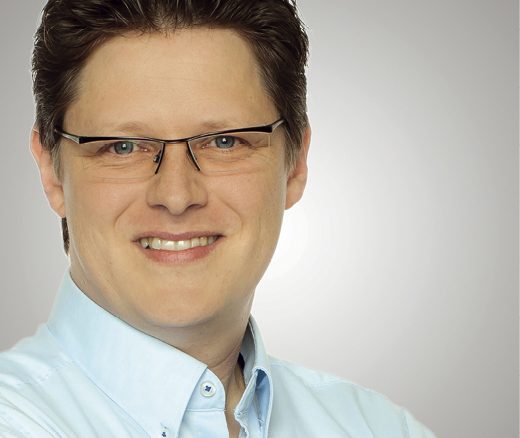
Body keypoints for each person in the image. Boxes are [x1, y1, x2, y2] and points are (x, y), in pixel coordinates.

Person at [0, 1, 436, 436]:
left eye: (224, 142)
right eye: (123, 147)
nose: (176, 196)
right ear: (51, 171)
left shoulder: (381, 427)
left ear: (295, 165)